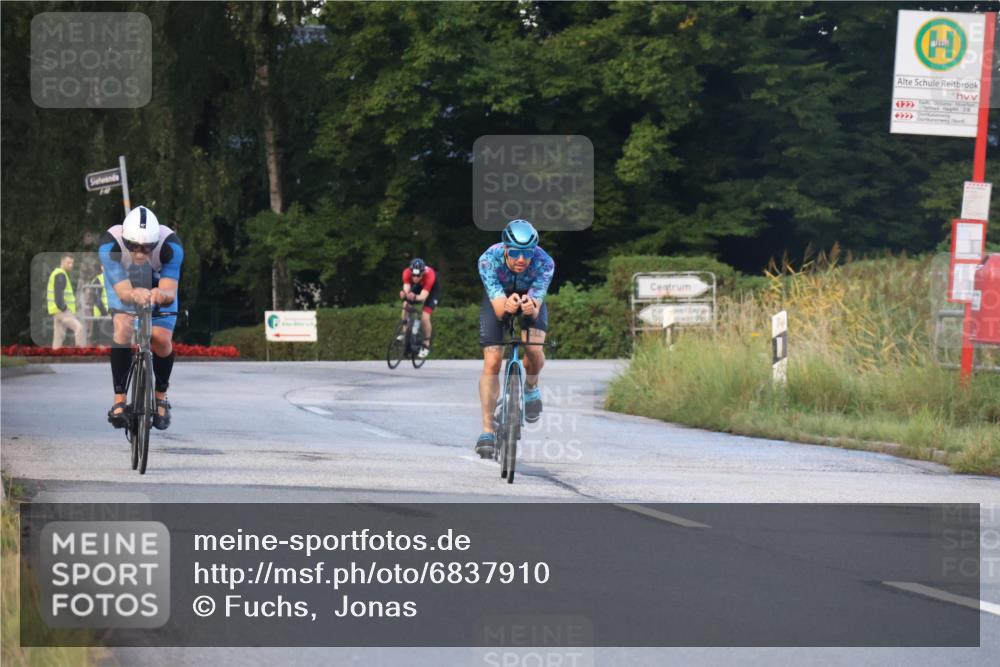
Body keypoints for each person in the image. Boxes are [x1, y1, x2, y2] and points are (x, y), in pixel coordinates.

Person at [98, 206, 184, 431]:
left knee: (161, 339)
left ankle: (161, 396)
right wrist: (133, 294)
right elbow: (124, 293)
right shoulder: (110, 245)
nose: (139, 252)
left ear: (155, 243)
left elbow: (169, 291)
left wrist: (160, 295)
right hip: (123, 284)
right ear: (125, 239)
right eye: (133, 246)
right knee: (123, 328)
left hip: (157, 285)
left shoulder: (170, 246)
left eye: (146, 248)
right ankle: (119, 401)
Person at [475, 220, 554, 459]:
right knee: (492, 361)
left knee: (534, 349)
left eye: (528, 253)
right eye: (516, 252)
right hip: (498, 299)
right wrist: (507, 306)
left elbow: (536, 306)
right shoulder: (488, 259)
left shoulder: (545, 262)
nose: (522, 259)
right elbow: (500, 310)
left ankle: (530, 387)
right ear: (506, 248)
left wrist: (531, 308)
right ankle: (488, 430)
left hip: (529, 299)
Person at [399, 258, 441, 359]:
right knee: (406, 304)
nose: (415, 277)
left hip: (432, 290)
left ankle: (426, 343)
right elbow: (407, 289)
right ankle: (405, 332)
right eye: (413, 275)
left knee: (425, 318)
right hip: (419, 286)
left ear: (423, 273)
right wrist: (405, 294)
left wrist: (413, 297)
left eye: (418, 275)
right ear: (410, 272)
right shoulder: (406, 273)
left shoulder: (429, 275)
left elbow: (422, 297)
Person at [46, 253, 86, 349]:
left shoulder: (58, 273)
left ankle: (54, 357)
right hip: (62, 311)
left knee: (58, 337)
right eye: (68, 263)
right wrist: (63, 308)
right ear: (62, 262)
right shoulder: (61, 274)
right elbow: (58, 293)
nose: (71, 265)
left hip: (56, 310)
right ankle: (80, 354)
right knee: (79, 328)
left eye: (72, 263)